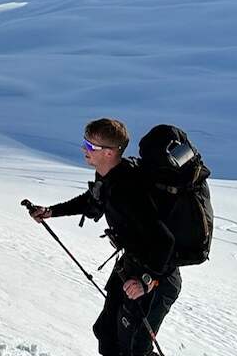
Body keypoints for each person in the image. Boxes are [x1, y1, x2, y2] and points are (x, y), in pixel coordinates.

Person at [27, 118, 180, 356]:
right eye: (85, 144)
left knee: (134, 349)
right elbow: (93, 200)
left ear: (109, 153)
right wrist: (51, 212)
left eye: (90, 146)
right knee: (106, 333)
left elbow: (165, 240)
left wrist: (146, 281)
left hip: (157, 277)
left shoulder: (129, 189)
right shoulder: (108, 176)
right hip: (130, 267)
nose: (84, 150)